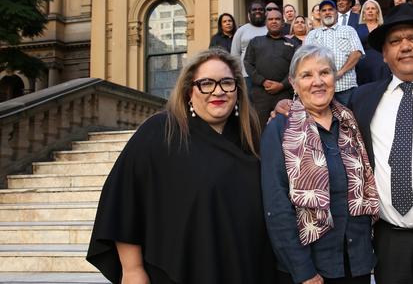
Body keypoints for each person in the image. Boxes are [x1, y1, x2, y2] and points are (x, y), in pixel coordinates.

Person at [274, 3, 413, 284]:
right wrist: (289, 105)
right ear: (384, 54)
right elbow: (317, 102)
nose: (405, 47)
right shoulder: (361, 100)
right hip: (392, 248)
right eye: (395, 41)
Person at [87, 48, 276, 284]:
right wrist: (132, 270)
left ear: (237, 90)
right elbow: (124, 200)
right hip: (179, 270)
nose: (218, 91)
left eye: (227, 83)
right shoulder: (161, 132)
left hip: (246, 268)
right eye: (206, 83)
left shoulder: (251, 136)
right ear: (189, 91)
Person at [261, 44, 379, 284]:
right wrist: (303, 270)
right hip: (312, 267)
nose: (317, 81)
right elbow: (277, 205)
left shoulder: (351, 122)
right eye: (306, 75)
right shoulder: (280, 128)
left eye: (324, 73)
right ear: (293, 84)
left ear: (334, 77)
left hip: (357, 262)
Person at [305, 0, 364, 106]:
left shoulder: (348, 30)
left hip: (346, 87)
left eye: (330, 10)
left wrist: (340, 72)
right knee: (324, 121)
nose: (327, 12)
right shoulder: (312, 34)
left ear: (336, 13)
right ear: (320, 14)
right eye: (324, 10)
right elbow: (306, 59)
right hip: (320, 88)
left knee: (349, 120)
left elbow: (357, 53)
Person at [245, 8, 298, 123]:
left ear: (283, 23)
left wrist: (282, 85)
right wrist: (262, 81)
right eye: (270, 19)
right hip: (260, 94)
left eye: (277, 19)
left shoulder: (293, 44)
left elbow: (297, 68)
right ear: (266, 22)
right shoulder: (255, 41)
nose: (274, 21)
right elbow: (248, 63)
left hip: (284, 93)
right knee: (258, 129)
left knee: (285, 128)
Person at [231, 0, 268, 92]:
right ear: (249, 13)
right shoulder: (241, 30)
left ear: (265, 13)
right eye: (254, 9)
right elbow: (235, 54)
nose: (257, 11)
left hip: (268, 76)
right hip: (246, 76)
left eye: (260, 9)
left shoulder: (270, 29)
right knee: (249, 105)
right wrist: (237, 74)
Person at [355, 0, 391, 85]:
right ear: (363, 13)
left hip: (382, 64)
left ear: (378, 12)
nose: (370, 11)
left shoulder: (384, 27)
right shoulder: (357, 28)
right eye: (367, 9)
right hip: (362, 65)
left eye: (373, 8)